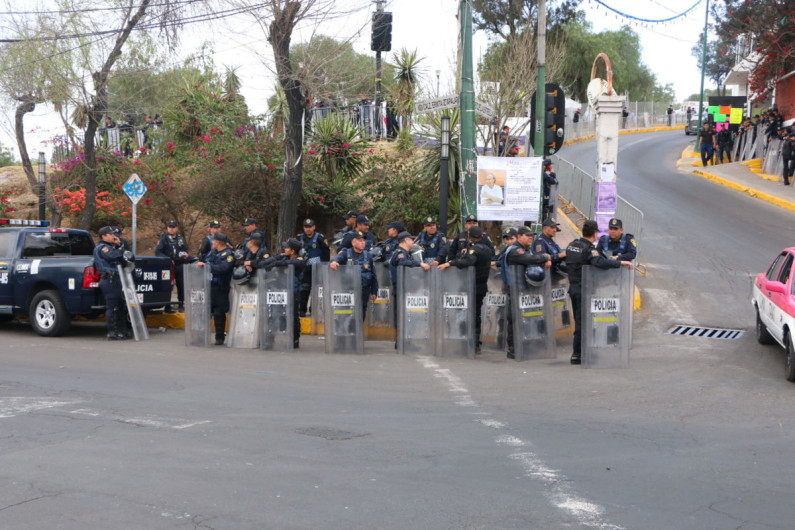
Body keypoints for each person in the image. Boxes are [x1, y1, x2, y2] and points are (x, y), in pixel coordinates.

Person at [565, 220, 634, 365]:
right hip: (585, 289)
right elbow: (600, 262)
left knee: (580, 321)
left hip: (574, 289)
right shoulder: (589, 249)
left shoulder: (572, 246)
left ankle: (579, 353)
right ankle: (578, 354)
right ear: (595, 234)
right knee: (584, 323)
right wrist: (620, 263)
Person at [438, 225, 494, 354]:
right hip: (481, 286)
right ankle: (475, 343)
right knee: (476, 314)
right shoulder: (486, 249)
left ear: (470, 236)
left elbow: (467, 261)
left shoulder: (474, 250)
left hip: (472, 287)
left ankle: (469, 342)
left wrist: (450, 263)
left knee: (469, 315)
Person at [503, 226, 552, 359]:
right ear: (519, 237)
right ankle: (513, 348)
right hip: (514, 289)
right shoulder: (514, 250)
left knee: (526, 317)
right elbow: (529, 259)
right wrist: (544, 257)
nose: (530, 237)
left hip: (524, 290)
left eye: (532, 235)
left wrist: (544, 260)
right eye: (527, 235)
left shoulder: (526, 249)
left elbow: (532, 258)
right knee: (514, 319)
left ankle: (525, 344)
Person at [389, 231, 431, 347]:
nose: (413, 242)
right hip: (401, 290)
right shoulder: (400, 253)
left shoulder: (406, 253)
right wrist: (420, 264)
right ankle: (403, 342)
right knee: (403, 316)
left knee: (410, 316)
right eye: (411, 239)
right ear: (406, 240)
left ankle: (405, 341)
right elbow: (402, 261)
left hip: (407, 290)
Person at [197, 232, 235, 345]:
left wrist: (207, 266)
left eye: (214, 241)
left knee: (219, 313)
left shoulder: (228, 255)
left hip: (220, 288)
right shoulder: (213, 252)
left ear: (218, 243)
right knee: (205, 311)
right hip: (209, 285)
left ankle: (219, 337)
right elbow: (205, 260)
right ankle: (201, 336)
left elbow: (223, 268)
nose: (212, 243)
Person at [93, 226, 131, 340]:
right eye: (110, 234)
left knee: (120, 306)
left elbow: (123, 260)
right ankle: (113, 331)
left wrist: (119, 246)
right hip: (109, 279)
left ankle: (121, 331)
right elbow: (113, 255)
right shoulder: (103, 248)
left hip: (117, 279)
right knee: (113, 307)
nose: (113, 236)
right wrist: (119, 248)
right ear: (104, 236)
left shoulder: (112, 247)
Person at [330, 231, 378, 320]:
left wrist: (374, 291)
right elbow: (337, 258)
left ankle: (358, 332)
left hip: (364, 290)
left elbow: (373, 274)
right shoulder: (346, 253)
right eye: (359, 240)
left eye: (363, 241)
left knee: (361, 311)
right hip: (349, 290)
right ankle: (348, 331)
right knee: (348, 311)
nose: (362, 243)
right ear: (353, 242)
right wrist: (334, 262)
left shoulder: (368, 256)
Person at [267, 238, 306, 348]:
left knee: (293, 315)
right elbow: (275, 259)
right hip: (280, 291)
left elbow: (291, 263)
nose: (285, 249)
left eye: (287, 248)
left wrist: (277, 263)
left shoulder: (299, 260)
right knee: (274, 314)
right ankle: (270, 338)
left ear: (293, 251)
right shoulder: (285, 257)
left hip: (293, 291)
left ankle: (295, 339)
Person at [155, 220, 191, 313]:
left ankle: (181, 304)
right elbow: (158, 252)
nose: (171, 229)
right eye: (170, 227)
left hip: (179, 264)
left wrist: (186, 254)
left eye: (173, 227)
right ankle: (167, 305)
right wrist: (167, 259)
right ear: (167, 228)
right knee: (168, 285)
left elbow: (185, 249)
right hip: (168, 266)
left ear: (177, 228)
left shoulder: (180, 238)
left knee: (181, 284)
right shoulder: (164, 239)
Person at [297, 218, 330, 316]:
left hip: (317, 269)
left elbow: (326, 252)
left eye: (310, 227)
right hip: (304, 269)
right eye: (306, 227)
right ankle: (302, 310)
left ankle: (314, 310)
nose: (308, 229)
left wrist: (325, 266)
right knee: (304, 289)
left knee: (316, 290)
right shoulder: (299, 238)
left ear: (314, 227)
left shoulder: (319, 238)